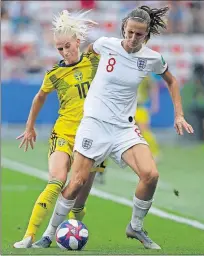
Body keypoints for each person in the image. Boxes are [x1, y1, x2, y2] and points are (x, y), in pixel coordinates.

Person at [38, 5, 194, 250]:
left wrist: (179, 114)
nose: (132, 38)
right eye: (130, 32)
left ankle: (136, 226)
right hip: (94, 124)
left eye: (139, 35)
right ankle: (49, 233)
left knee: (150, 175)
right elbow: (87, 55)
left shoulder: (152, 59)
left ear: (146, 35)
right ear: (124, 28)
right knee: (78, 180)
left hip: (124, 128)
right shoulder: (105, 44)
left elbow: (172, 81)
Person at [13, 10, 106, 248]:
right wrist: (30, 126)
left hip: (92, 136)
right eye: (59, 49)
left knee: (80, 192)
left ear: (77, 42)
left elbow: (106, 46)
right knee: (57, 180)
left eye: (68, 46)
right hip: (64, 132)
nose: (65, 52)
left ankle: (73, 226)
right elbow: (39, 98)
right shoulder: (54, 74)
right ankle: (31, 235)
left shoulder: (93, 61)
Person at [135, 75, 160, 161]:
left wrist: (155, 103)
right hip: (127, 107)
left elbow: (153, 86)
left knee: (144, 131)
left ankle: (154, 153)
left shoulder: (143, 72)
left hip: (139, 107)